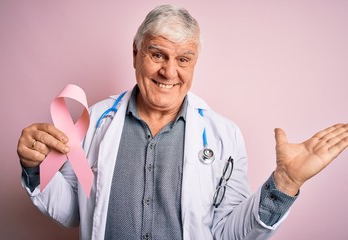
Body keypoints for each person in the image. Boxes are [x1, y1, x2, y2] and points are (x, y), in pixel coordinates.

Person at [17, 4, 348, 240]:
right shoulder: (95, 123)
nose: (169, 72)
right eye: (157, 54)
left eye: (183, 59)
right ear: (135, 53)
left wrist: (285, 183)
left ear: (194, 63)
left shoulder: (224, 136)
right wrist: (36, 168)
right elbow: (74, 210)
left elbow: (229, 233)